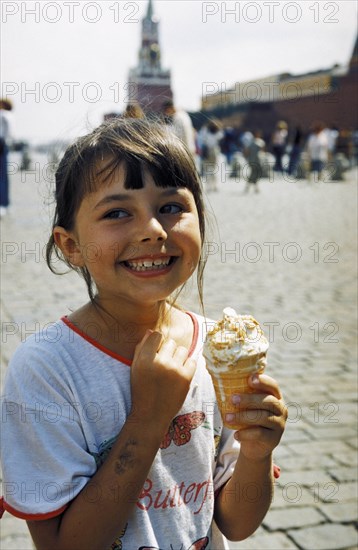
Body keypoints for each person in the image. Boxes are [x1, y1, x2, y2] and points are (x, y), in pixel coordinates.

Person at [0, 118, 287, 549]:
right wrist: (149, 418)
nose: (153, 229)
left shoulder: (216, 349)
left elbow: (236, 522)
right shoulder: (46, 368)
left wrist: (257, 453)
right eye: (117, 212)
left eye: (171, 207)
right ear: (70, 245)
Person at [200, 119, 224, 192]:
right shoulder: (211, 132)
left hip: (212, 151)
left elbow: (202, 138)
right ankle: (211, 185)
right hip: (210, 151)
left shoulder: (212, 132)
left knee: (212, 170)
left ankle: (213, 185)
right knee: (211, 169)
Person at [0, 99, 13, 217]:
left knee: (2, 176)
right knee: (3, 176)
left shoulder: (4, 114)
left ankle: (3, 204)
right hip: (3, 143)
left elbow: (7, 130)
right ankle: (5, 204)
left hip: (1, 144)